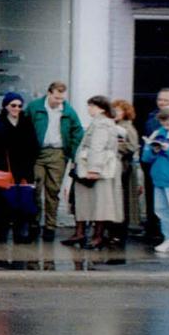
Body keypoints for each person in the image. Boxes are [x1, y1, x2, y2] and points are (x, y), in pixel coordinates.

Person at [24, 81, 82, 241]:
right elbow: (24, 126)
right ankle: (34, 224)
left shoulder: (68, 111)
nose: (59, 101)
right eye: (56, 98)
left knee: (53, 191)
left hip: (58, 153)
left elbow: (78, 131)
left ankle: (50, 227)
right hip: (38, 152)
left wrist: (71, 152)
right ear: (49, 93)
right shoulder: (35, 107)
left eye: (62, 98)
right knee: (35, 190)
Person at [69, 95, 122, 250]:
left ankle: (96, 236)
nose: (89, 109)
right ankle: (89, 235)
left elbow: (98, 147)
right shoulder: (103, 123)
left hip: (97, 170)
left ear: (100, 107)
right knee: (94, 203)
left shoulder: (101, 124)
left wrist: (94, 169)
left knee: (99, 204)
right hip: (97, 168)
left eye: (91, 106)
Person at [0, 92, 41, 243]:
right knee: (4, 201)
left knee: (23, 200)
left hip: (24, 166)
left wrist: (30, 162)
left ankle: (20, 232)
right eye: (13, 105)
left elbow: (33, 144)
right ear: (6, 106)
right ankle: (2, 231)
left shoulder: (26, 122)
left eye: (19, 106)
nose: (16, 108)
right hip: (5, 167)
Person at [141, 105, 169, 253]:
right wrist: (152, 149)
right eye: (163, 121)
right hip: (159, 178)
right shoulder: (158, 133)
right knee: (162, 210)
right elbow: (146, 158)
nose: (166, 124)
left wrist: (168, 149)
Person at [111, 99, 143, 248]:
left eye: (118, 110)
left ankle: (120, 234)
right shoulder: (113, 126)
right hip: (114, 166)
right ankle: (112, 232)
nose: (115, 113)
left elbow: (132, 147)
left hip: (125, 168)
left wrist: (117, 145)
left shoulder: (128, 128)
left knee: (123, 201)